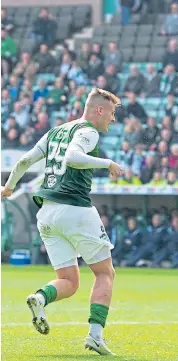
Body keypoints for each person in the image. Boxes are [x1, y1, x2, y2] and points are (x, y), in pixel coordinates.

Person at [0, 88, 123, 356]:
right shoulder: (88, 131)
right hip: (75, 209)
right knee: (105, 273)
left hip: (46, 213)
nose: (113, 119)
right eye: (112, 113)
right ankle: (95, 335)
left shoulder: (55, 132)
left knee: (68, 280)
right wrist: (107, 162)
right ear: (99, 110)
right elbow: (73, 158)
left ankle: (40, 298)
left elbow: (24, 160)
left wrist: (8, 187)